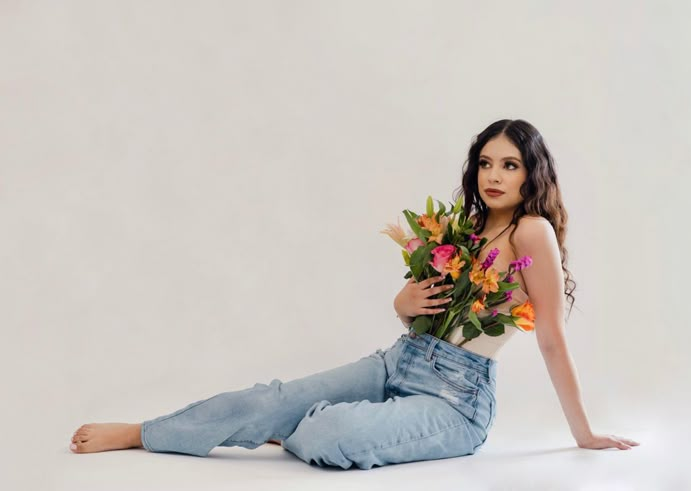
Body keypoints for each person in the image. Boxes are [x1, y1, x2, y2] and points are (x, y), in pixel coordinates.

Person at [68, 119, 640, 469]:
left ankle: (292, 429)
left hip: (455, 402)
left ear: (530, 174)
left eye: (509, 165)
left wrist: (583, 433)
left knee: (330, 434)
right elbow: (407, 307)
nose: (494, 175)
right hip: (399, 361)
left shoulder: (530, 231)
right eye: (486, 162)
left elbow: (551, 340)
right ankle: (145, 432)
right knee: (270, 397)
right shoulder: (467, 228)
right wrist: (405, 302)